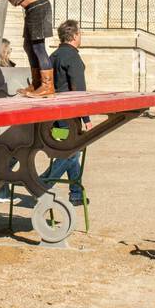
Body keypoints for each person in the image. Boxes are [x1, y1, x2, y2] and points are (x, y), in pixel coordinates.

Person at [40, 20, 89, 206]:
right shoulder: (72, 57)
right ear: (75, 36)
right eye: (80, 34)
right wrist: (86, 117)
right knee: (72, 151)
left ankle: (76, 193)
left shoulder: (53, 56)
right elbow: (78, 90)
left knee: (73, 151)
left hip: (54, 117)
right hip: (69, 118)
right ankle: (44, 181)